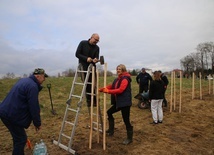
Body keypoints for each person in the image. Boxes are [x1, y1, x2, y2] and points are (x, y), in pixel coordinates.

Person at [0, 68, 48, 155]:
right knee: (21, 139)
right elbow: (34, 106)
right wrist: (37, 123)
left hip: (6, 111)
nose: (44, 79)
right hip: (11, 114)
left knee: (18, 138)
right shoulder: (33, 86)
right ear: (38, 76)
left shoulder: (24, 80)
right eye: (43, 77)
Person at [99, 64, 133, 145]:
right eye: (117, 69)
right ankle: (111, 130)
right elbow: (112, 86)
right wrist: (103, 89)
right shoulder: (117, 79)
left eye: (120, 69)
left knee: (126, 120)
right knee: (109, 112)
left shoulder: (125, 79)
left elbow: (120, 90)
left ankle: (129, 138)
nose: (118, 70)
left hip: (125, 103)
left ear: (123, 70)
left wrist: (108, 91)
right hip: (119, 102)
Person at [75, 33, 100, 108]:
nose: (96, 42)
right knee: (87, 85)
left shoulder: (97, 48)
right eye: (95, 40)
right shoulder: (83, 43)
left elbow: (96, 57)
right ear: (91, 37)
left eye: (97, 41)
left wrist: (95, 59)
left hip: (92, 67)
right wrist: (86, 58)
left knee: (94, 84)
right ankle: (89, 101)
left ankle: (95, 100)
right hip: (83, 68)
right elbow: (77, 54)